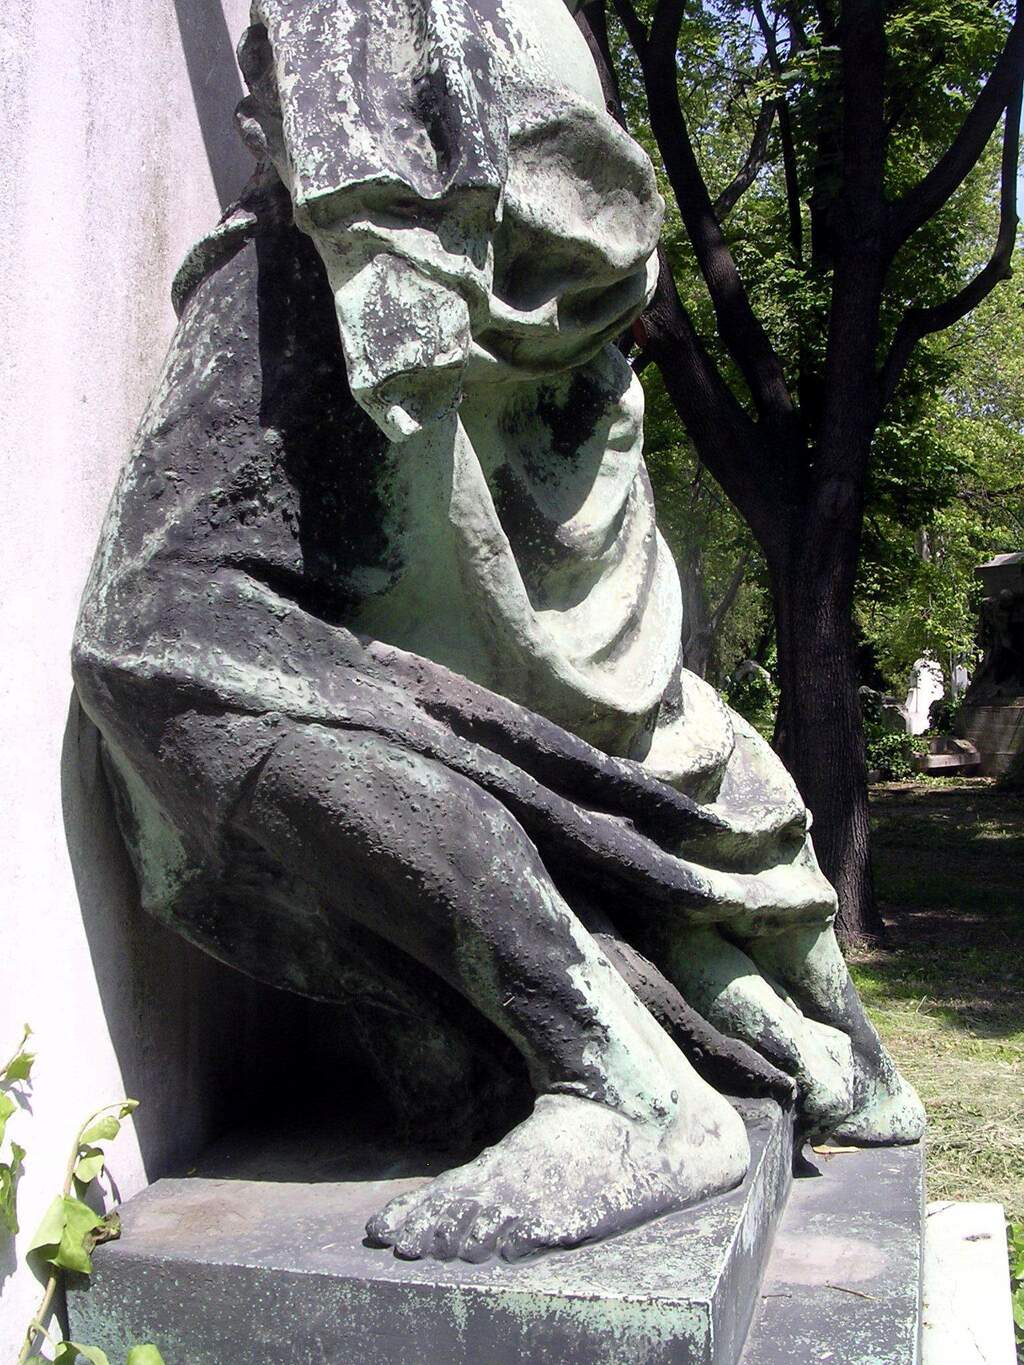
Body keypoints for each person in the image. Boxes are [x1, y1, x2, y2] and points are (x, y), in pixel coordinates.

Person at [72, 0, 923, 1264]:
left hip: (384, 204)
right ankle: (511, 1034)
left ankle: (622, 1082)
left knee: (155, 639)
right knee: (215, 644)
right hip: (463, 209)